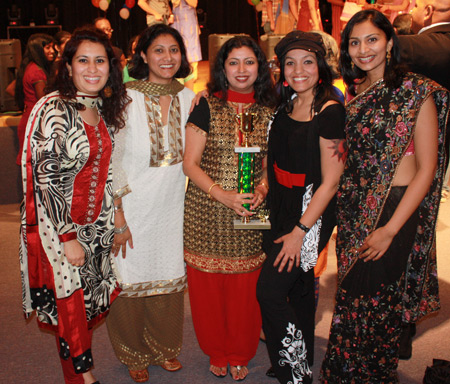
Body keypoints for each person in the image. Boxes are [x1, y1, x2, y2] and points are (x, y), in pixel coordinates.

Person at [320, 9, 449, 382]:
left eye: (372, 39)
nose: (363, 50)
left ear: (390, 42)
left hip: (393, 211)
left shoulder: (416, 91)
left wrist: (391, 229)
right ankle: (345, 373)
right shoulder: (357, 93)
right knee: (351, 301)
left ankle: (373, 374)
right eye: (355, 42)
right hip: (354, 209)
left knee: (378, 303)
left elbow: (426, 169)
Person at [19, 28, 130, 384]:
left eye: (100, 60)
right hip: (60, 228)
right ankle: (82, 377)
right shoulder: (51, 109)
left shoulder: (100, 107)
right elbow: (45, 180)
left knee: (84, 304)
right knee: (69, 304)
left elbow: (109, 170)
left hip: (95, 226)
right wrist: (67, 236)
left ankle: (80, 373)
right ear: (68, 66)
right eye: (83, 60)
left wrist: (116, 216)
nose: (93, 68)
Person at [183, 35, 278, 381]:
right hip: (206, 207)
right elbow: (190, 164)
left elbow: (268, 163)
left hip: (251, 208)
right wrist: (221, 194)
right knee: (208, 286)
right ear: (222, 68)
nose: (241, 70)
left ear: (260, 68)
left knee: (245, 286)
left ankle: (240, 351)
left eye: (249, 62)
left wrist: (263, 188)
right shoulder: (207, 105)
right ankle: (217, 351)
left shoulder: (269, 111)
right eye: (233, 62)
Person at [105, 24, 194, 384]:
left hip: (172, 206)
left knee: (168, 278)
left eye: (174, 50)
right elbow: (111, 158)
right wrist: (118, 213)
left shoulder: (191, 98)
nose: (167, 58)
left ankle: (164, 349)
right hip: (133, 205)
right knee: (129, 279)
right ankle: (132, 353)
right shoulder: (123, 97)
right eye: (159, 50)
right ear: (143, 55)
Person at [256, 31, 346, 384]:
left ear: (320, 65)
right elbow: (275, 159)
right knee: (300, 290)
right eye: (290, 63)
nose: (298, 70)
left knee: (269, 291)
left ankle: (294, 372)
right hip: (281, 206)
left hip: (310, 212)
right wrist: (264, 186)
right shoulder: (286, 102)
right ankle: (297, 357)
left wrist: (300, 232)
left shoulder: (329, 111)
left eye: (307, 61)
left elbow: (331, 182)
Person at [14, 33, 55, 165]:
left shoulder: (30, 67)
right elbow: (44, 102)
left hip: (30, 119)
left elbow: (11, 89)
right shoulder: (37, 71)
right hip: (35, 123)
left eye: (52, 47)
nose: (52, 51)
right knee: (37, 166)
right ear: (38, 50)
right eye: (48, 48)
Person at [172, 0, 202, 90]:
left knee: (190, 44)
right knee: (178, 43)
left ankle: (192, 74)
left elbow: (194, 3)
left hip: (188, 19)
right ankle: (180, 71)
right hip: (176, 18)